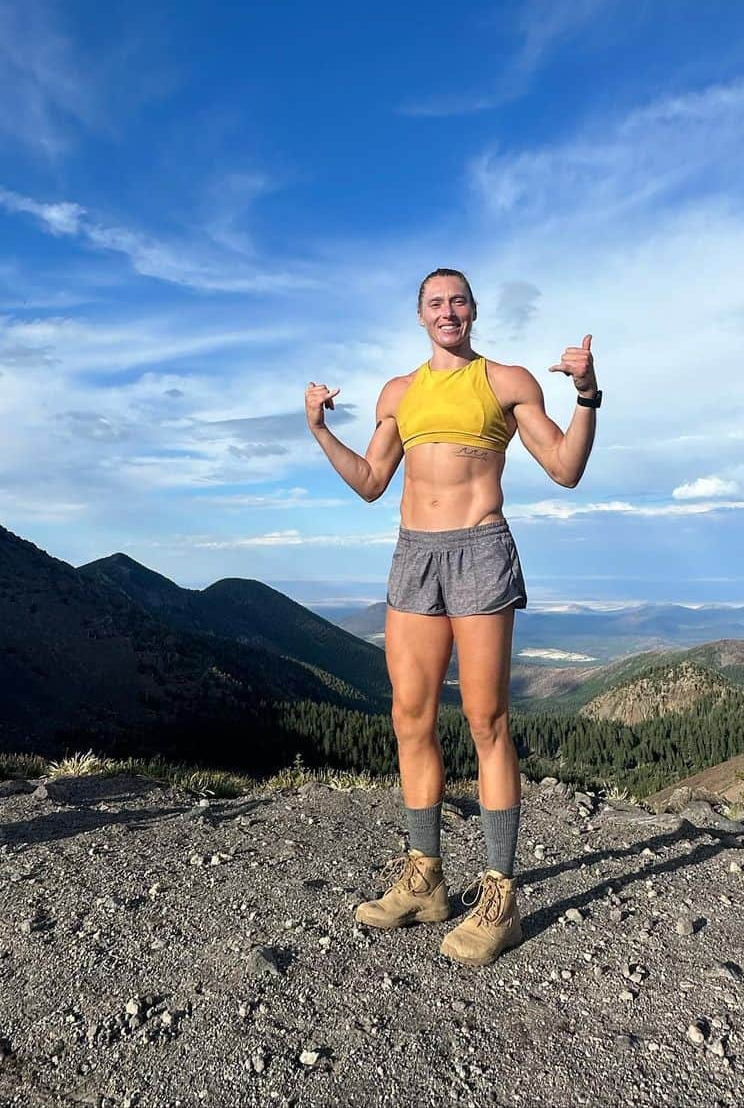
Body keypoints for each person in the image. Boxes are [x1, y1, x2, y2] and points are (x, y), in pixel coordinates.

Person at [304, 268, 599, 966]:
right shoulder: (398, 394)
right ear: (420, 315)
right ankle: (426, 879)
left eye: (458, 301)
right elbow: (373, 483)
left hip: (480, 549)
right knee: (410, 716)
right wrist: (317, 431)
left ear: (472, 312)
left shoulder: (505, 381)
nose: (448, 311)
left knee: (487, 721)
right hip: (413, 556)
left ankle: (500, 896)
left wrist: (587, 393)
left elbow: (564, 466)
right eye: (436, 302)